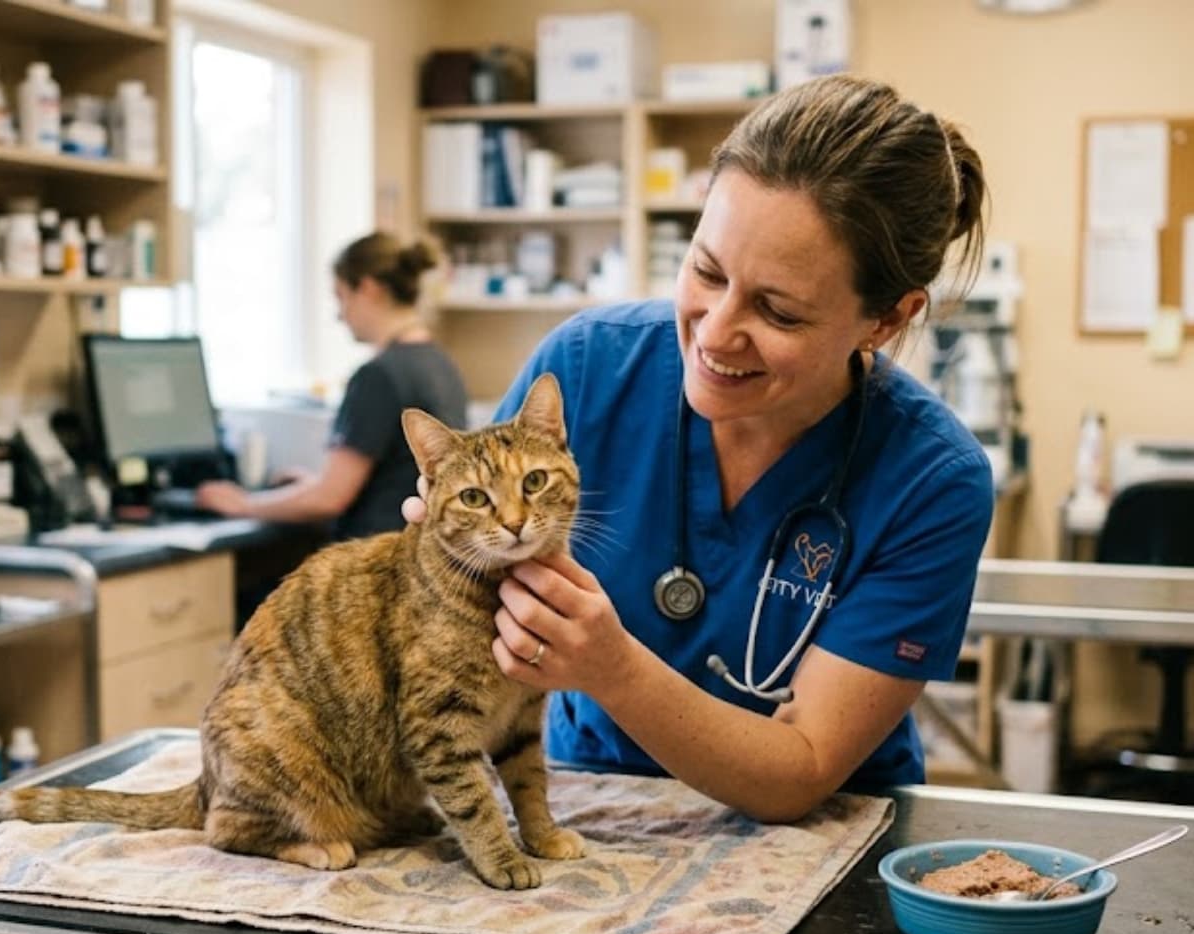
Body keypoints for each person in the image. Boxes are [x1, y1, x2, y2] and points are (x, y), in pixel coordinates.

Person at [406, 74, 995, 825]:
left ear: (886, 320)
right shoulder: (589, 368)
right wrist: (447, 560)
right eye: (707, 271)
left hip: (820, 839)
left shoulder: (930, 481)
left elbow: (802, 769)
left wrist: (613, 671)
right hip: (593, 809)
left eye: (778, 310)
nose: (714, 334)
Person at [196, 232, 468, 540]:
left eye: (340, 296)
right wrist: (312, 485)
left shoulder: (379, 376)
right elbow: (393, 477)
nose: (339, 315)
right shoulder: (440, 363)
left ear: (367, 289)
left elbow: (329, 499)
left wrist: (243, 503)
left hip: (377, 558)